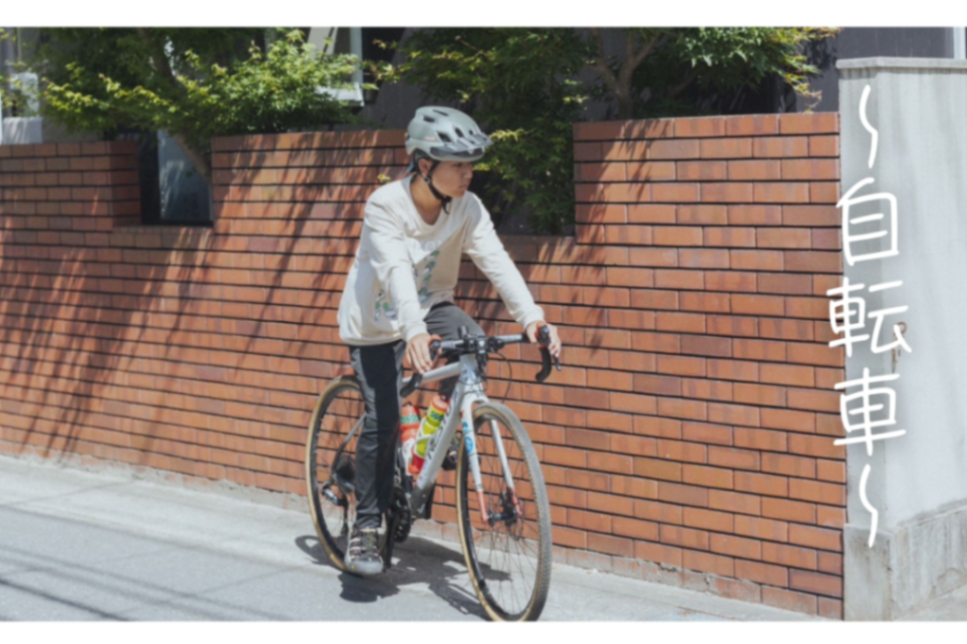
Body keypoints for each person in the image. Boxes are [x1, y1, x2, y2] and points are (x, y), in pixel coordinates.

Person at [336, 106, 563, 576]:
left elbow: (496, 260)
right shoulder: (384, 205)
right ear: (424, 165)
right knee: (382, 415)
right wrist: (413, 330)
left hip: (431, 306)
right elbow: (395, 270)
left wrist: (533, 319)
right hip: (377, 321)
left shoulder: (467, 208)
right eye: (458, 164)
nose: (468, 173)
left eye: (470, 164)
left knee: (475, 341)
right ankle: (367, 526)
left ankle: (438, 434)